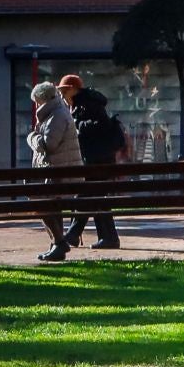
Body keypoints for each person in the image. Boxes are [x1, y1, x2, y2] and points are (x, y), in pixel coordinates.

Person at [61, 75, 128, 250]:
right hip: (97, 160)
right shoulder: (82, 103)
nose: (62, 95)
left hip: (98, 160)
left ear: (74, 89)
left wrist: (77, 126)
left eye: (64, 90)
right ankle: (107, 237)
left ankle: (75, 235)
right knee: (95, 197)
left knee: (89, 196)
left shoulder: (87, 104)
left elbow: (100, 125)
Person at [26, 81, 81, 261]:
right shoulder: (54, 113)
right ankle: (57, 244)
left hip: (61, 175)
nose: (36, 105)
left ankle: (59, 242)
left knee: (39, 201)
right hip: (59, 174)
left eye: (37, 101)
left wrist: (32, 138)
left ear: (44, 100)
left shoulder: (57, 115)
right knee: (44, 201)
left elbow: (49, 144)